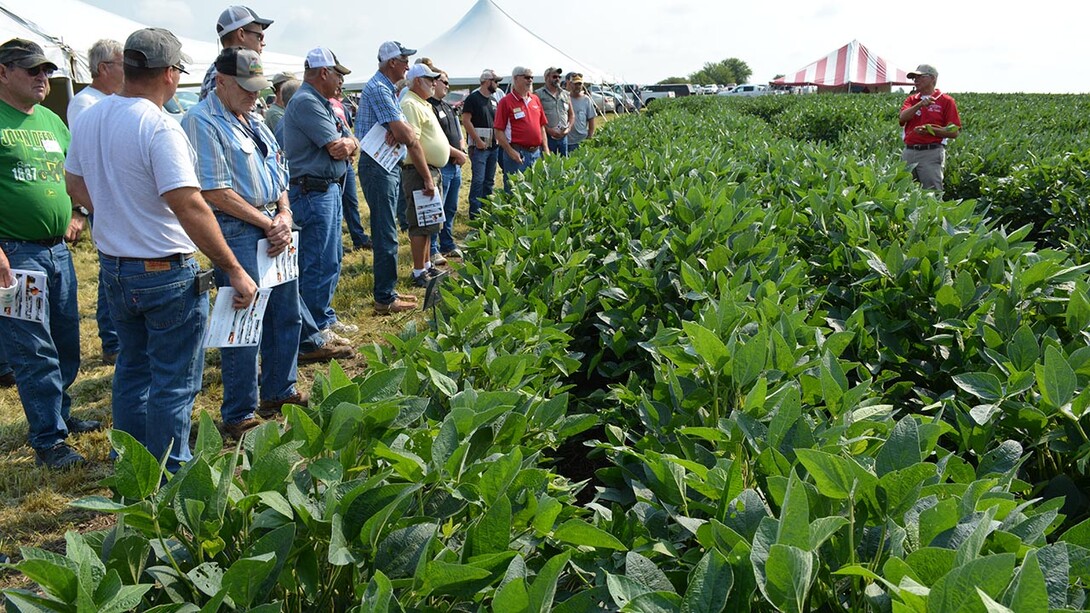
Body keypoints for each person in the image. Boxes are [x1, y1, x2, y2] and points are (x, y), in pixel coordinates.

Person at [66, 28, 257, 473]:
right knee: (173, 380)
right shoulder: (159, 125)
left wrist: (115, 211)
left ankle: (130, 464)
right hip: (164, 270)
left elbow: (74, 183)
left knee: (132, 369)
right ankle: (171, 473)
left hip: (115, 266)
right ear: (170, 74)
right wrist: (232, 266)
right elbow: (189, 204)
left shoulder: (92, 116)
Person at [182, 47, 306, 439]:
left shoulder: (255, 120)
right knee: (243, 321)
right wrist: (269, 221)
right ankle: (239, 411)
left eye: (258, 88)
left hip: (273, 224)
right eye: (246, 88)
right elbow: (214, 191)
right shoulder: (201, 121)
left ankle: (279, 389)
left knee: (286, 313)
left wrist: (283, 215)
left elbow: (280, 169)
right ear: (221, 82)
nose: (255, 95)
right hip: (237, 229)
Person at [0, 38, 100, 469]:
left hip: (58, 251)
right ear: (3, 72)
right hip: (15, 253)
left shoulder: (51, 121)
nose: (43, 78)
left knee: (65, 340)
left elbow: (72, 172)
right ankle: (49, 441)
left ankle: (58, 412)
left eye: (46, 71)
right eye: (32, 70)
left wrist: (78, 210)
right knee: (32, 348)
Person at [281, 47, 359, 339]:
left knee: (332, 258)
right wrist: (349, 144)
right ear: (324, 72)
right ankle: (313, 331)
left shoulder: (320, 101)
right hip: (312, 192)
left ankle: (323, 317)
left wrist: (349, 143)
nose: (341, 82)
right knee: (317, 261)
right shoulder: (305, 102)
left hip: (326, 190)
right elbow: (338, 146)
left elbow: (349, 139)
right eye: (338, 74)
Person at [355, 41, 433, 315]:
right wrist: (400, 131)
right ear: (391, 63)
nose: (408, 66)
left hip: (383, 166)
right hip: (378, 167)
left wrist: (401, 130)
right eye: (404, 60)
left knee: (387, 229)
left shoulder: (385, 89)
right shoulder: (379, 89)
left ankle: (388, 292)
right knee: (385, 231)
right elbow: (407, 135)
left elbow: (405, 132)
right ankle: (385, 298)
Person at [67, 39, 125, 366]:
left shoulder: (106, 101)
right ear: (104, 68)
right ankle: (112, 341)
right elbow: (89, 158)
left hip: (113, 200)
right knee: (109, 270)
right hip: (102, 201)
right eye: (121, 63)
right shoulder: (85, 104)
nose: (127, 70)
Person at [400, 63, 455, 287]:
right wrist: (426, 177)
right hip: (419, 171)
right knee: (419, 223)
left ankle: (426, 265)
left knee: (430, 221)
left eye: (435, 79)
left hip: (429, 170)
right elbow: (414, 144)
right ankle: (418, 271)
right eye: (429, 79)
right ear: (415, 81)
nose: (434, 82)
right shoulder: (410, 104)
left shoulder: (422, 103)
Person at [898, 64, 961, 194]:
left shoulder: (946, 101)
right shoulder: (911, 100)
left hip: (931, 153)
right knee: (906, 194)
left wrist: (931, 130)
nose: (915, 80)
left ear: (932, 78)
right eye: (914, 78)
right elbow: (902, 118)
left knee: (932, 195)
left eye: (920, 77)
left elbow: (954, 132)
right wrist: (920, 105)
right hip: (909, 152)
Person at [427, 70, 466, 264]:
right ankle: (433, 249)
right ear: (434, 82)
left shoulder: (447, 106)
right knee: (437, 209)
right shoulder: (429, 107)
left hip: (455, 165)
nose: (447, 86)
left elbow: (457, 132)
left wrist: (462, 146)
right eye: (444, 82)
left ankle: (447, 243)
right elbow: (436, 139)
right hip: (442, 165)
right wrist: (456, 153)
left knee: (450, 208)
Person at [329, 78, 371, 251]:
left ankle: (358, 237)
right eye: (337, 85)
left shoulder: (340, 106)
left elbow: (348, 130)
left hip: (347, 161)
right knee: (336, 205)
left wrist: (352, 149)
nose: (340, 89)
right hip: (334, 161)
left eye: (341, 86)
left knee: (351, 201)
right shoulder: (325, 105)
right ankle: (338, 242)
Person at [200, 5, 273, 100]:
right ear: (241, 34)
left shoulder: (222, 71)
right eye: (259, 37)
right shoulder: (224, 76)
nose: (263, 43)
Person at [495, 66, 549, 188]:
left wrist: (546, 150)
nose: (530, 80)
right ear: (516, 79)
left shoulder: (535, 99)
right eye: (526, 77)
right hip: (517, 154)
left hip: (536, 153)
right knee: (515, 191)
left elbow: (541, 127)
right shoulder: (506, 102)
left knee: (535, 189)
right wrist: (510, 151)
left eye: (531, 77)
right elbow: (498, 131)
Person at [461, 69, 501, 220]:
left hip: (493, 146)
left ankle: (487, 211)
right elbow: (466, 120)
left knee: (489, 180)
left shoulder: (493, 100)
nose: (497, 84)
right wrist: (477, 140)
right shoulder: (473, 98)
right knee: (478, 180)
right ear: (486, 81)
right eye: (495, 81)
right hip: (480, 147)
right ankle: (475, 215)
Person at [536, 67, 573, 156]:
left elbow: (572, 115)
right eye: (554, 77)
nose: (557, 79)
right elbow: (537, 118)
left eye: (559, 77)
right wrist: (548, 130)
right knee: (549, 165)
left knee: (565, 164)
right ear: (546, 78)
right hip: (548, 137)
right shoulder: (538, 94)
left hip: (563, 137)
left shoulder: (565, 94)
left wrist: (568, 129)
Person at [567, 74, 595, 153]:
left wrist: (590, 136)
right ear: (571, 84)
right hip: (568, 141)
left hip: (582, 140)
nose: (577, 86)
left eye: (579, 84)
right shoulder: (565, 98)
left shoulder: (586, 100)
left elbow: (591, 120)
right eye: (575, 84)